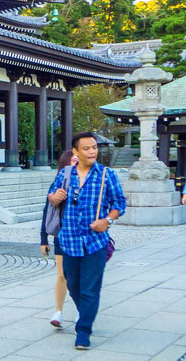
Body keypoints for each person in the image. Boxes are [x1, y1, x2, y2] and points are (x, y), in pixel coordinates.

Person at [47, 131, 126, 351]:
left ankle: (83, 330)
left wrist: (107, 220)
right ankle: (87, 313)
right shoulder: (65, 174)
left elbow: (120, 202)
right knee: (73, 285)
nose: (92, 152)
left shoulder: (105, 175)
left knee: (90, 289)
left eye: (94, 148)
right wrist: (55, 198)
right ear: (75, 152)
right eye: (86, 148)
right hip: (69, 240)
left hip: (95, 241)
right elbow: (51, 196)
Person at [40, 151, 78, 328]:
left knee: (79, 276)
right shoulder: (58, 183)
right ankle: (59, 311)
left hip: (82, 236)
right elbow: (47, 212)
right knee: (62, 274)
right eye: (73, 160)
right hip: (62, 234)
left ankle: (81, 311)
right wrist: (43, 239)